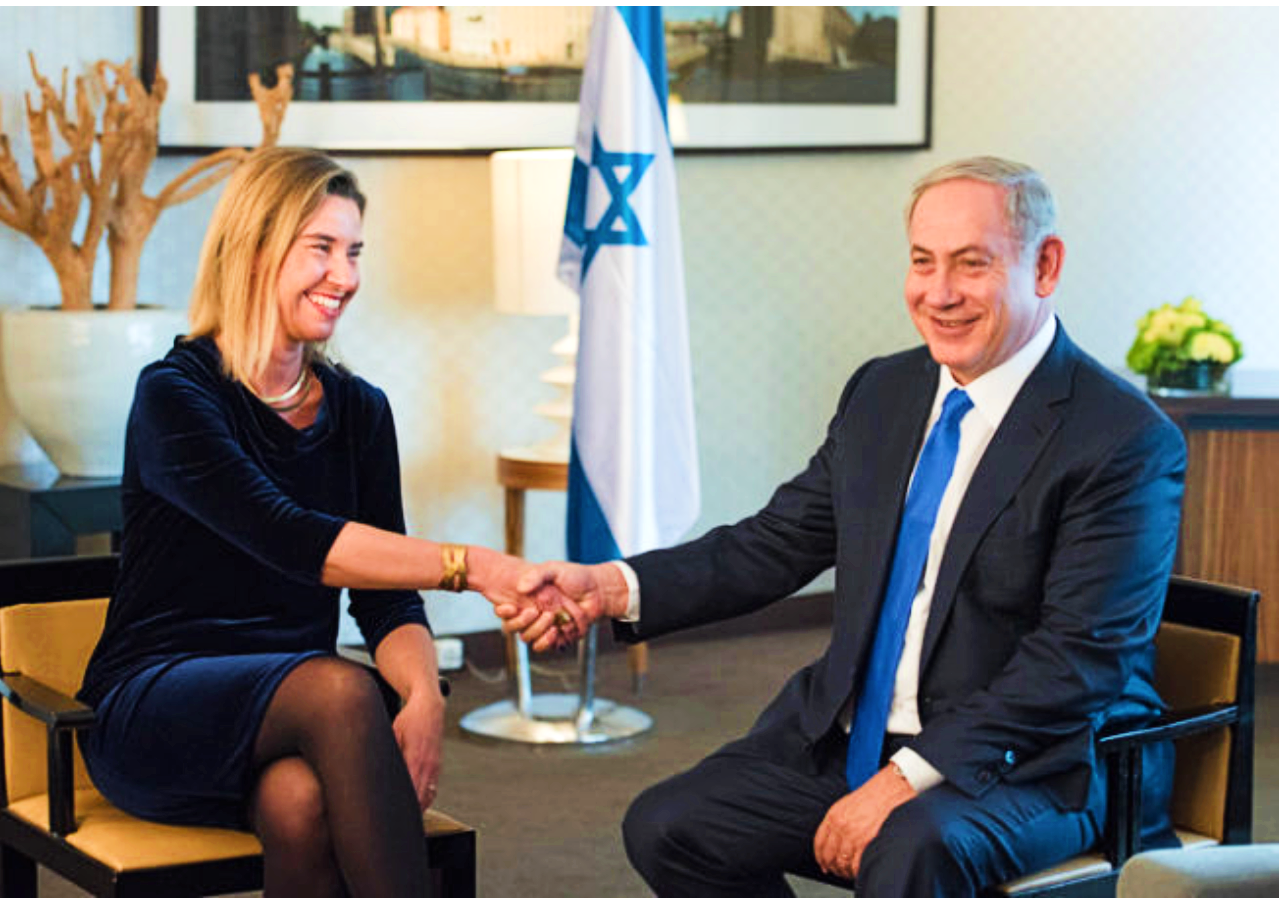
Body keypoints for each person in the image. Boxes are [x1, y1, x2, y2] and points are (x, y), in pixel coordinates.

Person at [497, 157, 1187, 897]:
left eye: (971, 264)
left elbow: (1075, 662)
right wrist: (610, 587)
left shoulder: (1121, 439)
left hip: (1032, 761)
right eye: (922, 261)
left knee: (908, 850)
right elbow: (773, 543)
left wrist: (904, 780)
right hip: (855, 733)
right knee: (671, 826)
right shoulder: (884, 390)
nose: (939, 293)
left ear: (1044, 266)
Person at [78, 147, 540, 898]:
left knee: (300, 804)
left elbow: (387, 600)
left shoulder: (360, 410)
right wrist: (475, 566)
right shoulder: (175, 396)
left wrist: (425, 695)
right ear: (253, 249)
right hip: (159, 704)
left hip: (294, 716)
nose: (345, 277)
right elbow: (290, 537)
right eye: (321, 248)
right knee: (343, 691)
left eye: (354, 252)